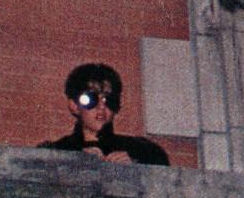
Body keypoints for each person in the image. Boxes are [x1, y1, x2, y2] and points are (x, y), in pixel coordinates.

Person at [39, 62, 168, 166]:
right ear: (74, 106)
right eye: (91, 99)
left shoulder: (142, 150)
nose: (101, 106)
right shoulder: (57, 151)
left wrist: (134, 168)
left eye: (108, 100)